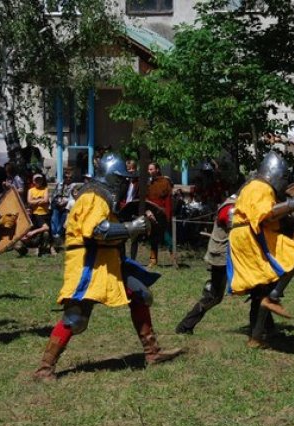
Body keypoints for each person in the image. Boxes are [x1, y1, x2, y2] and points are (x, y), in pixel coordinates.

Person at [32, 153, 184, 380]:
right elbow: (97, 231)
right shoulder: (93, 196)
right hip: (89, 262)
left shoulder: (104, 199)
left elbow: (112, 229)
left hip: (110, 260)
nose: (124, 183)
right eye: (121, 179)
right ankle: (44, 369)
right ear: (111, 177)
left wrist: (141, 225)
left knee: (140, 294)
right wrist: (131, 227)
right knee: (76, 317)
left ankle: (152, 353)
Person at [227, 151, 294, 349]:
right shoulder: (260, 187)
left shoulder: (259, 188)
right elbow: (264, 215)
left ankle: (256, 337)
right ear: (275, 174)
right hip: (249, 236)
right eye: (283, 178)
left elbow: (273, 218)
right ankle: (273, 298)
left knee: (261, 290)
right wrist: (293, 204)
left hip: (249, 235)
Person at [175, 194, 238, 334]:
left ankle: (265, 327)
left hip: (232, 255)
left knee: (259, 289)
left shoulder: (237, 204)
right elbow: (237, 227)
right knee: (214, 296)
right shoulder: (231, 208)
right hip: (222, 255)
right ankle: (185, 326)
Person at [146, 162, 173, 268]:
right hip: (151, 214)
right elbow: (146, 199)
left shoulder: (165, 182)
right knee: (153, 237)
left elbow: (168, 201)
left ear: (157, 170)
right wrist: (148, 212)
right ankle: (153, 260)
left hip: (162, 214)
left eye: (151, 169)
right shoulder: (149, 183)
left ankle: (173, 258)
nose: (150, 171)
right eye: (149, 169)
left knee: (167, 237)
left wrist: (167, 215)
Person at [50, 166, 75, 249]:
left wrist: (66, 201)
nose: (68, 179)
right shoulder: (59, 184)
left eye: (70, 177)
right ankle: (55, 235)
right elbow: (53, 195)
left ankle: (58, 235)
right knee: (54, 218)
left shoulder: (73, 186)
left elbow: (74, 197)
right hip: (57, 205)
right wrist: (58, 202)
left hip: (66, 207)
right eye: (66, 177)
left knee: (63, 220)